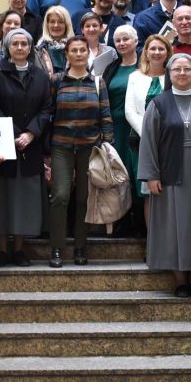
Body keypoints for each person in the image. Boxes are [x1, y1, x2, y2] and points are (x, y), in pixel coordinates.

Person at [139, 53, 191, 297]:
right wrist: (151, 175)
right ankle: (179, 280)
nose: (182, 73)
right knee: (173, 227)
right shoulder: (158, 103)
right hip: (170, 174)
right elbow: (149, 141)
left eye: (187, 69)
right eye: (177, 69)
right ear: (169, 73)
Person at [0, 29, 52, 267]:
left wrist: (31, 133)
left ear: (30, 48)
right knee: (1, 198)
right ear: (7, 47)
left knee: (22, 199)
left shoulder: (40, 76)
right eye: (15, 43)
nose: (19, 47)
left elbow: (47, 109)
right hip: (1, 145)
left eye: (24, 44)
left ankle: (19, 249)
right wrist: (15, 135)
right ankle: (1, 250)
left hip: (30, 146)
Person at [48, 36, 113, 268]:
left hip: (90, 147)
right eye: (73, 50)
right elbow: (49, 113)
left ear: (88, 54)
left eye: (82, 50)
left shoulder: (97, 82)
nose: (78, 54)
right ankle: (56, 248)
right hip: (61, 146)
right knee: (60, 196)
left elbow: (105, 115)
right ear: (66, 55)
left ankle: (80, 246)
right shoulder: (56, 81)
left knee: (84, 198)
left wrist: (108, 144)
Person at [126, 34, 172, 229]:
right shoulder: (135, 77)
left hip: (169, 141)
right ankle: (153, 244)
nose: (156, 52)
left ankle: (170, 243)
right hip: (141, 142)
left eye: (161, 49)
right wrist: (148, 135)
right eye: (152, 48)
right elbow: (130, 111)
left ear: (168, 53)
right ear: (145, 51)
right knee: (148, 193)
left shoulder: (173, 76)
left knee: (169, 191)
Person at [102, 26, 141, 235]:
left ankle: (140, 224)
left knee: (137, 173)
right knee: (120, 173)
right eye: (118, 40)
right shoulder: (112, 68)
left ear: (136, 41)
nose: (122, 43)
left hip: (136, 128)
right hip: (116, 127)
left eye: (126, 39)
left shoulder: (144, 66)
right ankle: (122, 222)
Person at [35, 5, 74, 79]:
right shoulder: (38, 50)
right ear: (47, 24)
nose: (56, 25)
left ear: (67, 25)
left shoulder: (76, 47)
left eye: (60, 22)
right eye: (52, 22)